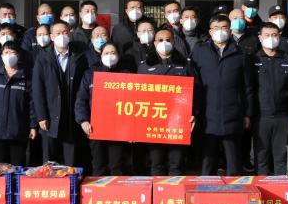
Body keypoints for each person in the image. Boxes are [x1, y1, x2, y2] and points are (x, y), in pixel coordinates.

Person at [189, 14, 255, 175]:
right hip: (207, 114)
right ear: (210, 32)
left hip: (233, 114)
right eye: (216, 28)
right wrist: (194, 112)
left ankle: (235, 189)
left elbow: (248, 87)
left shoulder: (241, 54)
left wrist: (247, 113)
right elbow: (193, 84)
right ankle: (206, 189)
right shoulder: (199, 52)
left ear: (230, 30)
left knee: (233, 161)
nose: (220, 31)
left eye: (224, 27)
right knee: (208, 161)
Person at [32, 20, 89, 166]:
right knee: (50, 162)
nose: (62, 36)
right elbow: (37, 89)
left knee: (71, 162)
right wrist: (41, 116)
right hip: (50, 117)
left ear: (70, 34)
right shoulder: (43, 57)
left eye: (65, 32)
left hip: (71, 115)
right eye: (58, 33)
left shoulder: (79, 56)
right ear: (51, 37)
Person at [139, 27, 195, 176]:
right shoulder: (144, 66)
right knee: (156, 163)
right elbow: (138, 95)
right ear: (154, 42)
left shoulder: (185, 64)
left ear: (174, 41)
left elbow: (197, 91)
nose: (164, 43)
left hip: (178, 122)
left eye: (168, 40)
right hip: (154, 122)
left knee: (176, 164)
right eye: (160, 40)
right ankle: (158, 190)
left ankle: (174, 190)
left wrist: (194, 113)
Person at [251, 22, 288, 175]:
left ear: (279, 37)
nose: (271, 38)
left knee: (281, 157)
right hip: (260, 117)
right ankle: (261, 188)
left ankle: (281, 189)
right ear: (260, 37)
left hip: (283, 116)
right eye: (267, 35)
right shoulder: (252, 59)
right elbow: (248, 89)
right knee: (261, 157)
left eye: (274, 35)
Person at [76, 42, 131, 175]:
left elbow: (133, 102)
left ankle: (115, 189)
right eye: (106, 53)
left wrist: (131, 129)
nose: (110, 56)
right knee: (98, 164)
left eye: (113, 53)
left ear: (118, 55)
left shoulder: (126, 74)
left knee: (116, 165)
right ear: (100, 55)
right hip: (96, 127)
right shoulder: (91, 73)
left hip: (118, 128)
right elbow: (81, 99)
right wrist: (83, 120)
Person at [0, 41, 36, 166]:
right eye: (6, 52)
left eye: (12, 52)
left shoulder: (27, 77)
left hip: (18, 130)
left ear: (18, 55)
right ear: (1, 55)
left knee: (18, 167)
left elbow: (32, 104)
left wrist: (33, 126)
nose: (9, 55)